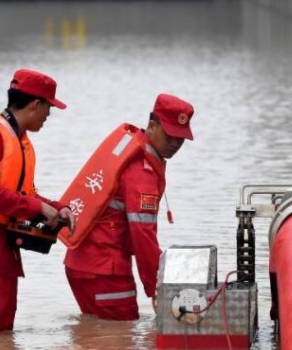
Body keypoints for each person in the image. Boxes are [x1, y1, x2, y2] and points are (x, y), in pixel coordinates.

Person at [0, 68, 76, 336]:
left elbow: (24, 194)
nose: (48, 116)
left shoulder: (17, 140)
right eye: (49, 108)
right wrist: (37, 208)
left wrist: (56, 206)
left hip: (3, 255)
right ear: (35, 105)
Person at [62, 93, 194, 320]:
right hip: (106, 270)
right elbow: (143, 234)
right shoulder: (141, 172)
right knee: (119, 345)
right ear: (152, 126)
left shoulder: (134, 150)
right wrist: (156, 288)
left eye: (181, 138)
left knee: (98, 341)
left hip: (81, 264)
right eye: (170, 135)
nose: (175, 144)